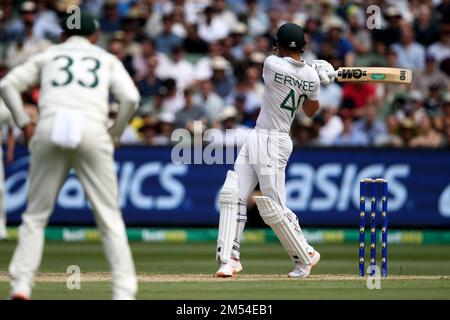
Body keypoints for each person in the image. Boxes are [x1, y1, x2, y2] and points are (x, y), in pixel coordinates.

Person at [0, 12, 139, 300]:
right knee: (109, 217)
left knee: (35, 216)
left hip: (50, 125)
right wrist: (115, 134)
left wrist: (24, 122)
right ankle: (123, 292)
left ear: (63, 35)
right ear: (94, 36)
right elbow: (131, 98)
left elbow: (6, 85)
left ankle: (21, 285)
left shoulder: (49, 55)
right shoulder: (106, 58)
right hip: (92, 128)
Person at [215, 23, 334, 278]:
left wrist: (315, 79)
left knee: (273, 207)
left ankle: (305, 255)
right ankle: (230, 258)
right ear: (303, 47)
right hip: (258, 134)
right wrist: (317, 80)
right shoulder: (305, 74)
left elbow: (301, 90)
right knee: (232, 192)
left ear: (278, 45)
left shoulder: (271, 63)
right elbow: (311, 112)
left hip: (275, 140)